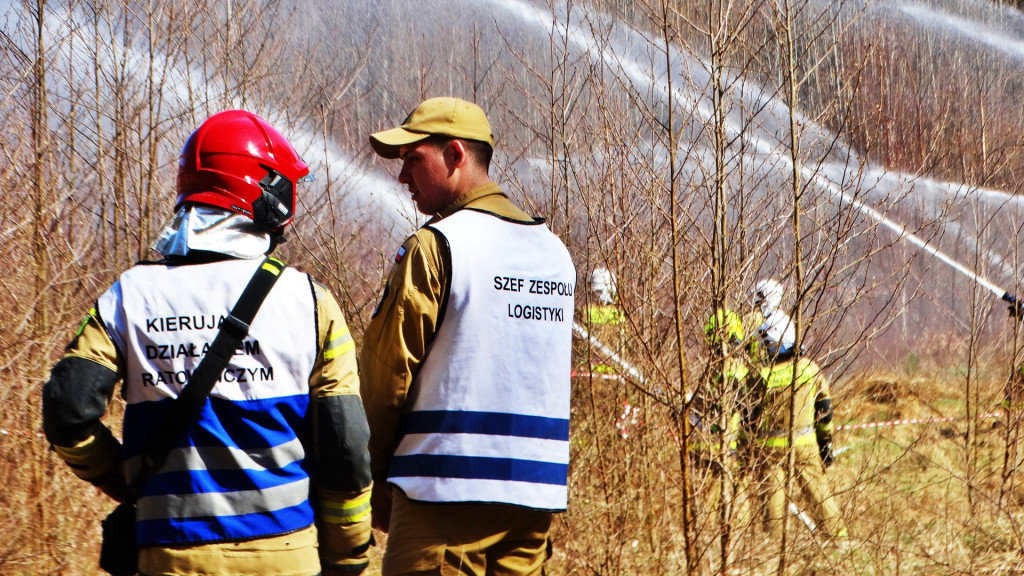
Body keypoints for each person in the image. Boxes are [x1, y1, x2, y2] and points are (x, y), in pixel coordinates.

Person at [41, 110, 373, 576]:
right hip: (285, 556)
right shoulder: (309, 302)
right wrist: (348, 555)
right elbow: (346, 446)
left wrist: (124, 477)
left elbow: (67, 411)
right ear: (266, 197)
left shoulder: (130, 295)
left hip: (168, 555)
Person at [360, 97, 576, 575]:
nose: (402, 178)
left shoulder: (434, 246)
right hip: (533, 499)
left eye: (413, 160)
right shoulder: (553, 251)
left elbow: (386, 376)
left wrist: (369, 477)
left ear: (455, 155)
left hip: (442, 493)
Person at [748, 310, 846, 540]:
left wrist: (749, 448)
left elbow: (750, 416)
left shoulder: (762, 375)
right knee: (819, 496)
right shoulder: (809, 369)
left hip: (770, 451)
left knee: (773, 502)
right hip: (805, 447)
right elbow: (824, 413)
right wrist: (826, 446)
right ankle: (839, 541)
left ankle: (773, 551)